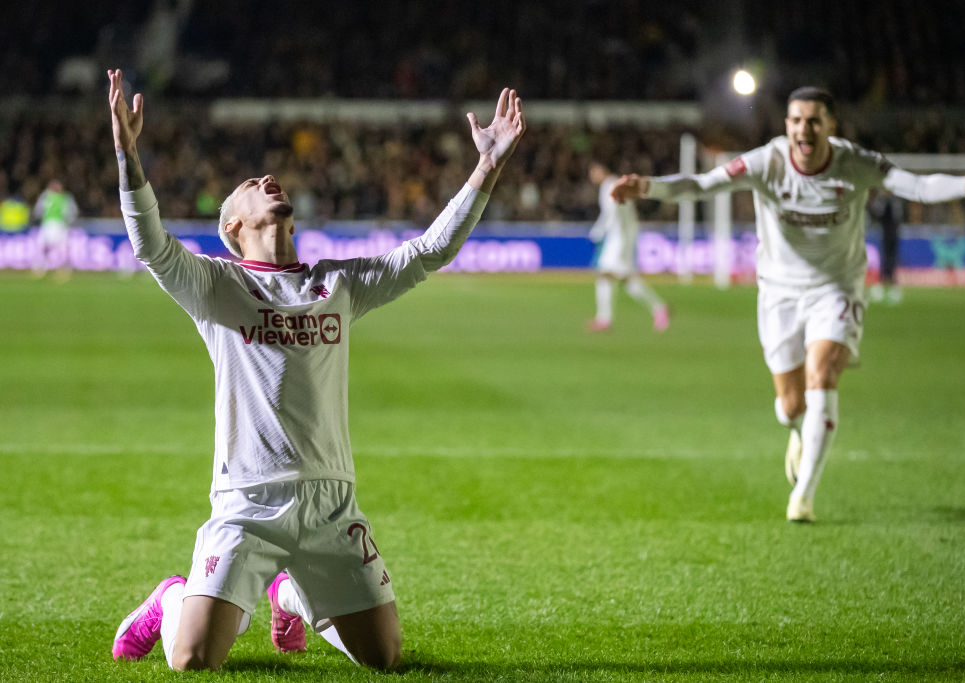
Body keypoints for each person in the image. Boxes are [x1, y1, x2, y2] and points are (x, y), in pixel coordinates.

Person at [105, 68, 524, 671]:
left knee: (383, 658)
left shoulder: (337, 285)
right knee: (192, 659)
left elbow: (430, 251)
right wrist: (128, 157)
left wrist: (488, 165)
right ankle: (173, 598)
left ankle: (290, 597)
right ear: (233, 227)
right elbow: (151, 246)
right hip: (248, 504)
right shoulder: (216, 285)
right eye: (251, 184)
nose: (267, 180)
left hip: (331, 504)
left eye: (267, 179)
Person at [611, 87, 965, 522]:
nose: (804, 129)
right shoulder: (766, 162)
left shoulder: (854, 162)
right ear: (787, 125)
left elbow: (915, 185)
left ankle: (803, 496)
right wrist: (648, 186)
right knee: (790, 405)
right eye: (796, 121)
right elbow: (702, 184)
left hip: (837, 287)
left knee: (822, 374)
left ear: (830, 126)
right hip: (779, 292)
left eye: (814, 121)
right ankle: (797, 430)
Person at [587, 161, 670, 332]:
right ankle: (658, 308)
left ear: (601, 170)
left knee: (608, 274)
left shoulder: (610, 186)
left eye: (594, 172)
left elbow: (612, 213)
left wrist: (598, 231)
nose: (592, 176)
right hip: (622, 236)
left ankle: (606, 319)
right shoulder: (615, 184)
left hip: (619, 238)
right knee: (622, 279)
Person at [32, 179, 79, 280]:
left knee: (61, 248)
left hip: (59, 225)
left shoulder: (64, 198)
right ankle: (41, 268)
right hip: (48, 224)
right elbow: (38, 210)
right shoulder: (47, 196)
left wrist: (67, 222)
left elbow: (71, 212)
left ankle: (63, 269)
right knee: (43, 246)